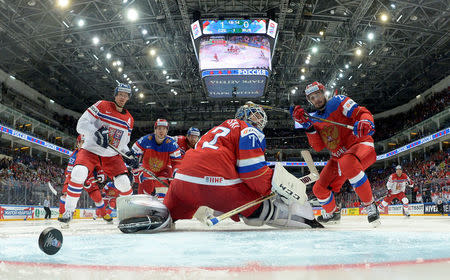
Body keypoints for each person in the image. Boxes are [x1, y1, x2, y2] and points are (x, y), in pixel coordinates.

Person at [117, 102, 322, 233]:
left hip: (182, 185)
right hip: (216, 183)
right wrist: (273, 189)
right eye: (255, 116)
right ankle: (307, 220)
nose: (258, 120)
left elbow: (198, 162)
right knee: (261, 209)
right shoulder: (249, 130)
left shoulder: (213, 130)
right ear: (246, 117)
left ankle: (145, 212)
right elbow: (252, 173)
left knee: (168, 216)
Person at [291, 81, 380, 226]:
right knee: (318, 189)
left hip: (360, 145)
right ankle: (332, 213)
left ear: (323, 92)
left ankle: (370, 205)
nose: (316, 100)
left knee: (348, 163)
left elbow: (361, 112)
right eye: (312, 98)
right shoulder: (314, 119)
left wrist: (366, 122)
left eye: (318, 95)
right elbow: (318, 147)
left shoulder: (338, 101)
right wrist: (307, 126)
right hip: (339, 157)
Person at [58, 83, 138, 224]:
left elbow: (122, 144)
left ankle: (131, 213)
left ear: (128, 98)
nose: (122, 97)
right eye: (120, 94)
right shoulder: (101, 105)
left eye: (125, 95)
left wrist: (129, 155)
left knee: (124, 183)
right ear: (115, 95)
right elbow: (81, 125)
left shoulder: (130, 120)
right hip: (90, 150)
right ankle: (69, 211)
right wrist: (96, 132)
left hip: (111, 155)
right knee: (78, 172)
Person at [132, 119, 182, 198]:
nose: (161, 131)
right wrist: (136, 173)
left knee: (162, 184)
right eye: (159, 128)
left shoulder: (172, 144)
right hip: (146, 171)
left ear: (167, 131)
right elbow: (133, 157)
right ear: (155, 130)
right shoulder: (145, 140)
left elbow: (177, 163)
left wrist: (176, 172)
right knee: (144, 192)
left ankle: (162, 200)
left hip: (163, 171)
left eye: (164, 129)